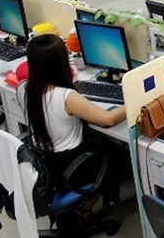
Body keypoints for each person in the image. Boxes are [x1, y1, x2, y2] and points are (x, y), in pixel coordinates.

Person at [19, 34, 126, 189]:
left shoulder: (24, 89)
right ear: (59, 62)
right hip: (72, 166)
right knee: (118, 154)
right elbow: (109, 119)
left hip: (45, 162)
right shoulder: (66, 97)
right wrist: (134, 103)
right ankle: (91, 202)